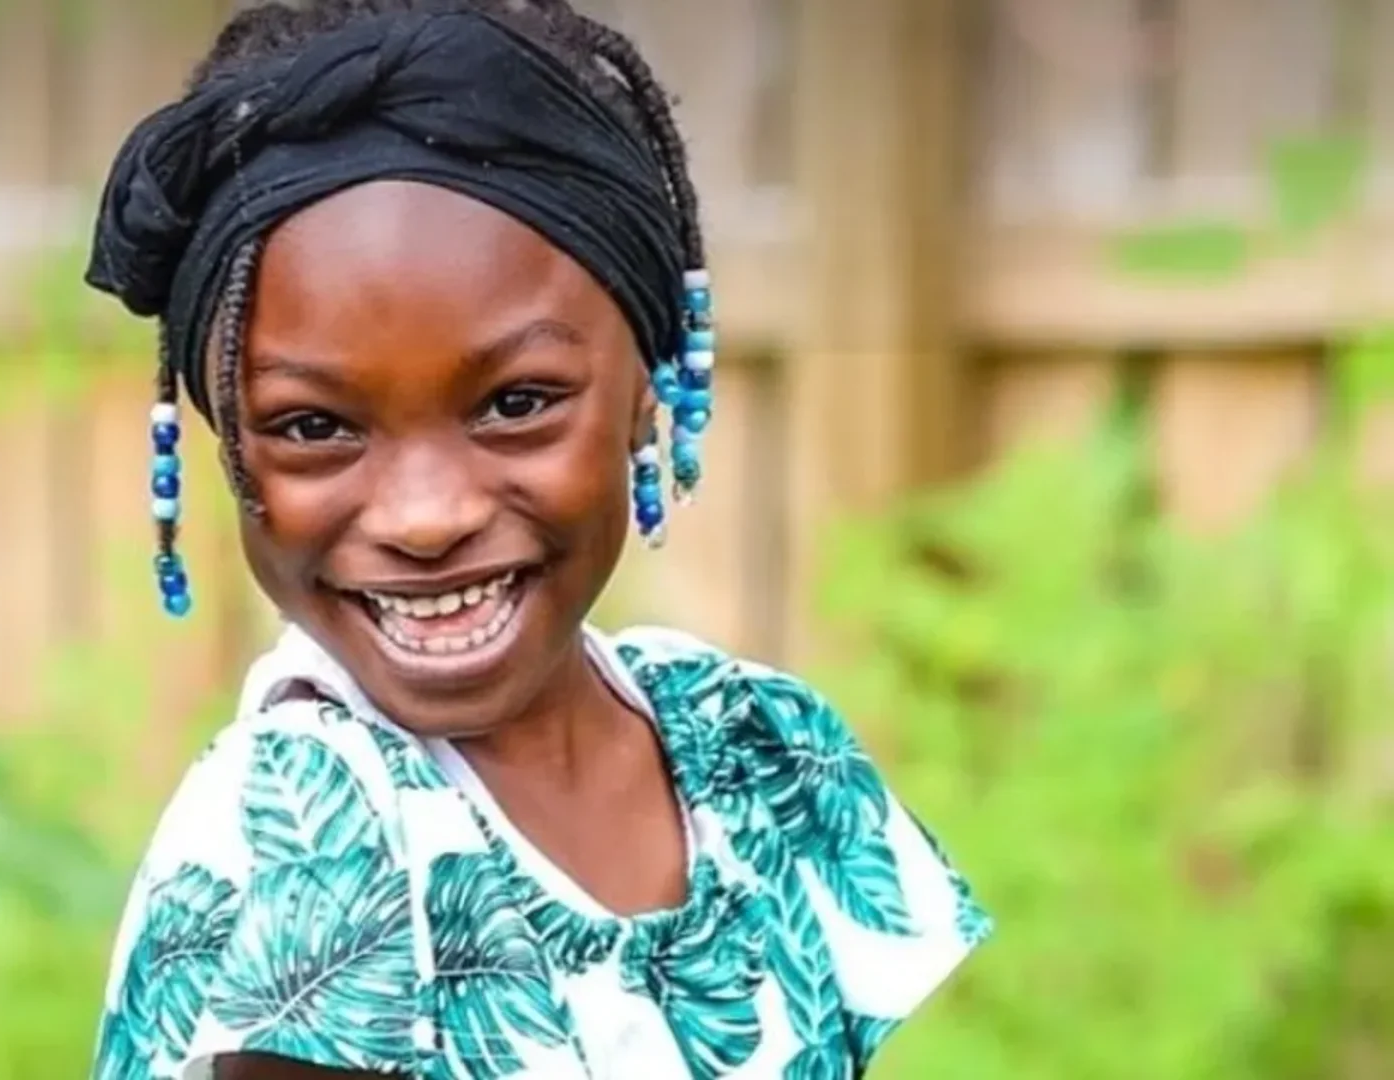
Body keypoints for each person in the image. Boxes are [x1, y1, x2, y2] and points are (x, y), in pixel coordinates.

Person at [81, 2, 991, 1077]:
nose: (426, 516)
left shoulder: (749, 747)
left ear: (648, 392)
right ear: (232, 448)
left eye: (516, 403)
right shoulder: (316, 827)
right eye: (315, 427)